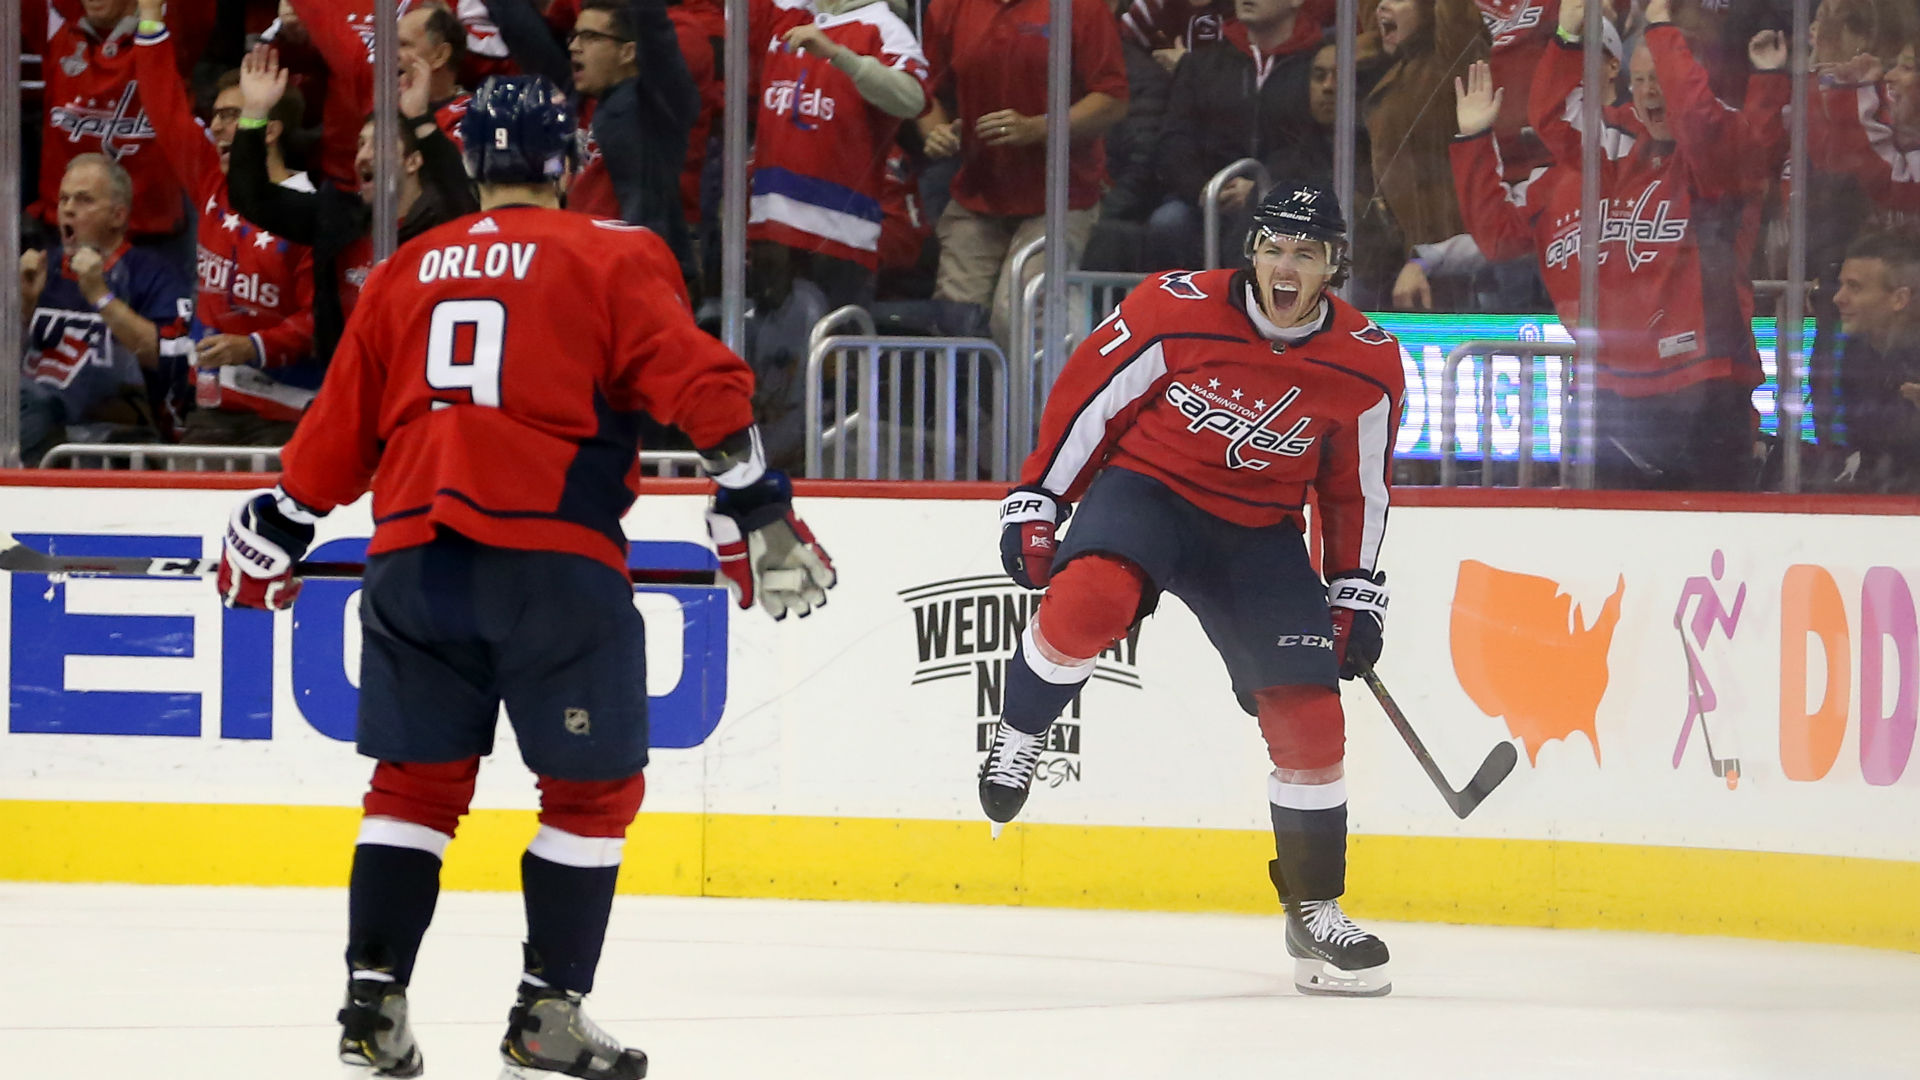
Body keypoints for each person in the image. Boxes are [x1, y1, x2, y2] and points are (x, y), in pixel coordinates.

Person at [212, 75, 836, 1078]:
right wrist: (758, 498)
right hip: (553, 564)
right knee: (591, 795)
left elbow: (334, 437)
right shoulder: (613, 253)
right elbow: (700, 383)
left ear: (469, 162)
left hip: (413, 559)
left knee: (410, 790)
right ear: (563, 161)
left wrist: (281, 520)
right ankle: (547, 1010)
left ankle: (373, 1001)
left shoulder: (406, 269)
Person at [985, 180, 1404, 997]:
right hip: (1148, 493)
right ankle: (1020, 728)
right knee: (1089, 601)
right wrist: (1041, 499)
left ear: (1333, 267)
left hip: (1258, 532)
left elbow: (1359, 490)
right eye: (1274, 247)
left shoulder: (1368, 361)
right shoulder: (1172, 308)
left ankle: (1314, 911)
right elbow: (1088, 401)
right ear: (1250, 251)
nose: (1286, 266)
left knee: (1312, 718)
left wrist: (1354, 590)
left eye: (1306, 253)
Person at [1449, 1, 1790, 490]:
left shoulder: (1725, 146)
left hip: (1704, 382)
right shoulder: (1610, 151)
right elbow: (1549, 128)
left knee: (1705, 545)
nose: (1652, 93)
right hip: (1607, 390)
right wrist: (1565, 38)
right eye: (1642, 80)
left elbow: (1696, 118)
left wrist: (1659, 24)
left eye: (1663, 78)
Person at [135, 1, 319, 445]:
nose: (216, 127)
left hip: (289, 417)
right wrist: (149, 19)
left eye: (230, 115)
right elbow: (165, 106)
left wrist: (253, 346)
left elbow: (322, 317)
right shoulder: (211, 183)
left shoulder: (313, 210)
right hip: (213, 411)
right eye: (215, 115)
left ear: (269, 130)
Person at [226, 46, 480, 365]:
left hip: (416, 391)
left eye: (379, 143)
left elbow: (461, 195)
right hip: (347, 391)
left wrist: (420, 118)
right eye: (360, 143)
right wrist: (255, 112)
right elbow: (250, 197)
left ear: (413, 161)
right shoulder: (338, 219)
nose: (364, 154)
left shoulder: (442, 228)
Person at [917, 0, 1130, 346]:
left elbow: (1112, 98)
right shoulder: (949, 5)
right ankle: (974, 402)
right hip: (978, 191)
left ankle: (1055, 400)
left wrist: (1040, 127)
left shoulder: (1081, 7)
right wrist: (936, 132)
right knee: (954, 318)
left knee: (1025, 311)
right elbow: (925, 88)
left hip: (1062, 195)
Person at [481, 0, 702, 279]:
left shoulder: (656, 109)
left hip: (635, 270)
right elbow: (523, 32)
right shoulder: (573, 96)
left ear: (628, 52)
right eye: (575, 36)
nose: (574, 46)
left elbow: (658, 43)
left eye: (591, 37)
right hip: (578, 262)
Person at [744, 0, 930, 313]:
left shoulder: (882, 25)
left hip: (840, 235)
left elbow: (913, 99)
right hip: (770, 228)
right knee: (771, 353)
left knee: (834, 353)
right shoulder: (784, 14)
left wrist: (840, 56)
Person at [20, 155, 191, 460]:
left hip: (120, 437)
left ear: (118, 216)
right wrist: (23, 306)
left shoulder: (152, 273)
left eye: (84, 200)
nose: (68, 209)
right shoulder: (37, 269)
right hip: (34, 427)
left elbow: (171, 359)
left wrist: (101, 296)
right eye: (63, 199)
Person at [1148, 0, 1328, 271]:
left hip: (1290, 202)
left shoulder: (1321, 66)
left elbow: (1318, 145)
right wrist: (1204, 189)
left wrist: (1262, 191)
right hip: (1208, 199)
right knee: (1169, 223)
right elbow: (1174, 140)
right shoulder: (1203, 63)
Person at [1831, 227, 1920, 491]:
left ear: (1899, 298)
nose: (1838, 298)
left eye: (1854, 287)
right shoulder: (1856, 352)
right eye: (1841, 285)